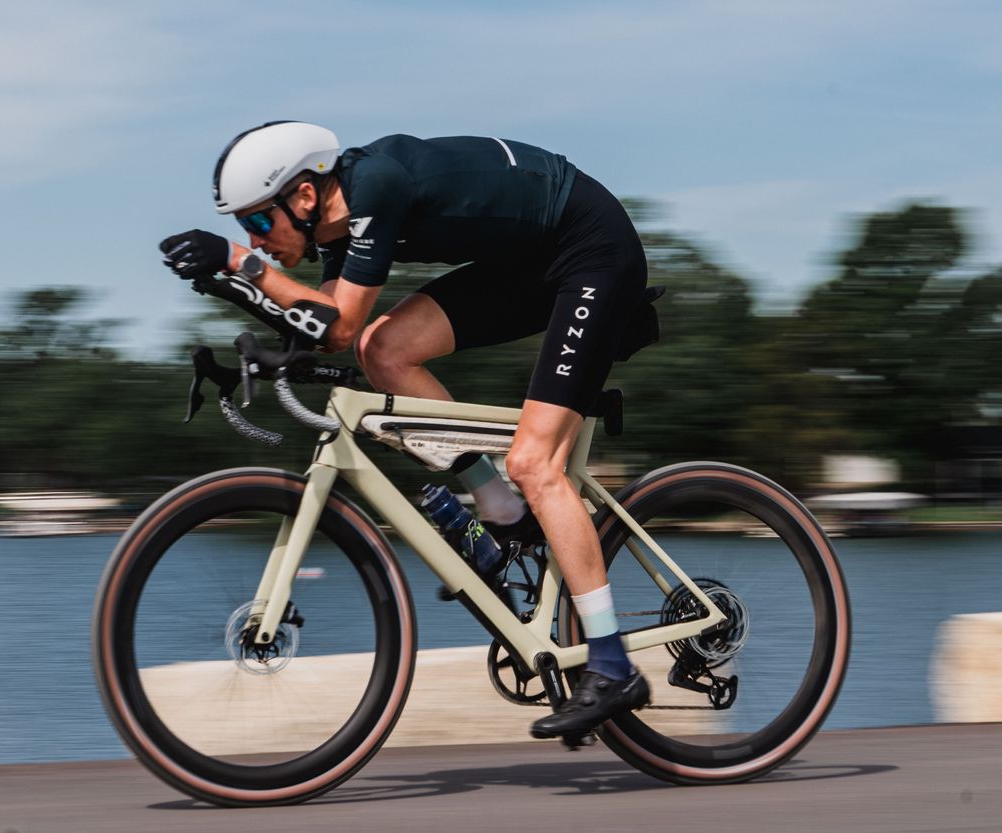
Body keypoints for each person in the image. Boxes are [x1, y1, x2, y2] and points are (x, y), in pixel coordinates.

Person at [159, 121, 652, 739]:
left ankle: (612, 665)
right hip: (525, 262)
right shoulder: (338, 231)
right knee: (383, 351)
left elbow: (332, 324)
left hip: (590, 249)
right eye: (243, 228)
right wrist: (239, 304)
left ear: (304, 197)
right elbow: (319, 325)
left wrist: (238, 263)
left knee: (535, 462)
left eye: (259, 222)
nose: (255, 237)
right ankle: (500, 510)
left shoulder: (377, 190)